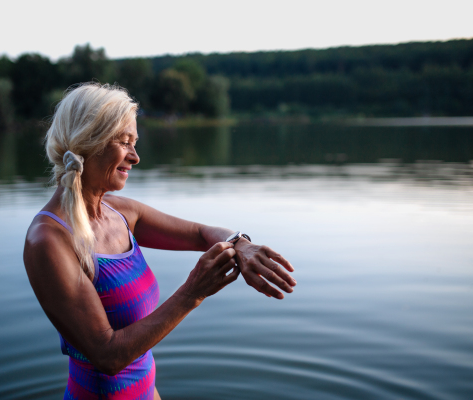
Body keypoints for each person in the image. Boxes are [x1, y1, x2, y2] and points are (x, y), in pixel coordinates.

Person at [23, 83, 296, 400]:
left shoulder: (122, 212)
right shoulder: (48, 239)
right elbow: (108, 355)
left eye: (135, 143)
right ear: (89, 141)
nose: (135, 157)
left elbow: (201, 234)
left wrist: (242, 245)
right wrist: (192, 292)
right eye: (124, 142)